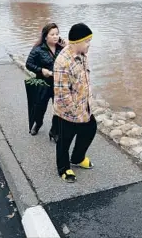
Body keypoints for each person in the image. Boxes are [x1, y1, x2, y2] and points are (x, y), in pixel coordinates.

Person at [53, 23, 97, 183]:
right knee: (64, 141)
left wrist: (88, 104)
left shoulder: (83, 53)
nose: (89, 44)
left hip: (84, 107)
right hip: (68, 112)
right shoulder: (63, 62)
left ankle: (77, 158)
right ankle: (63, 169)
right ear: (77, 42)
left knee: (91, 128)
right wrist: (75, 114)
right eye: (87, 41)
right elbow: (62, 94)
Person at [25, 23, 66, 139]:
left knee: (58, 109)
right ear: (45, 36)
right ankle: (38, 123)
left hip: (58, 85)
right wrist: (41, 70)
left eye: (57, 34)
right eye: (52, 34)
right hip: (43, 84)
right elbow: (28, 64)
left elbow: (72, 60)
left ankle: (54, 131)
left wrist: (67, 46)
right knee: (39, 107)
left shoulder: (61, 49)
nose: (55, 36)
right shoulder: (38, 49)